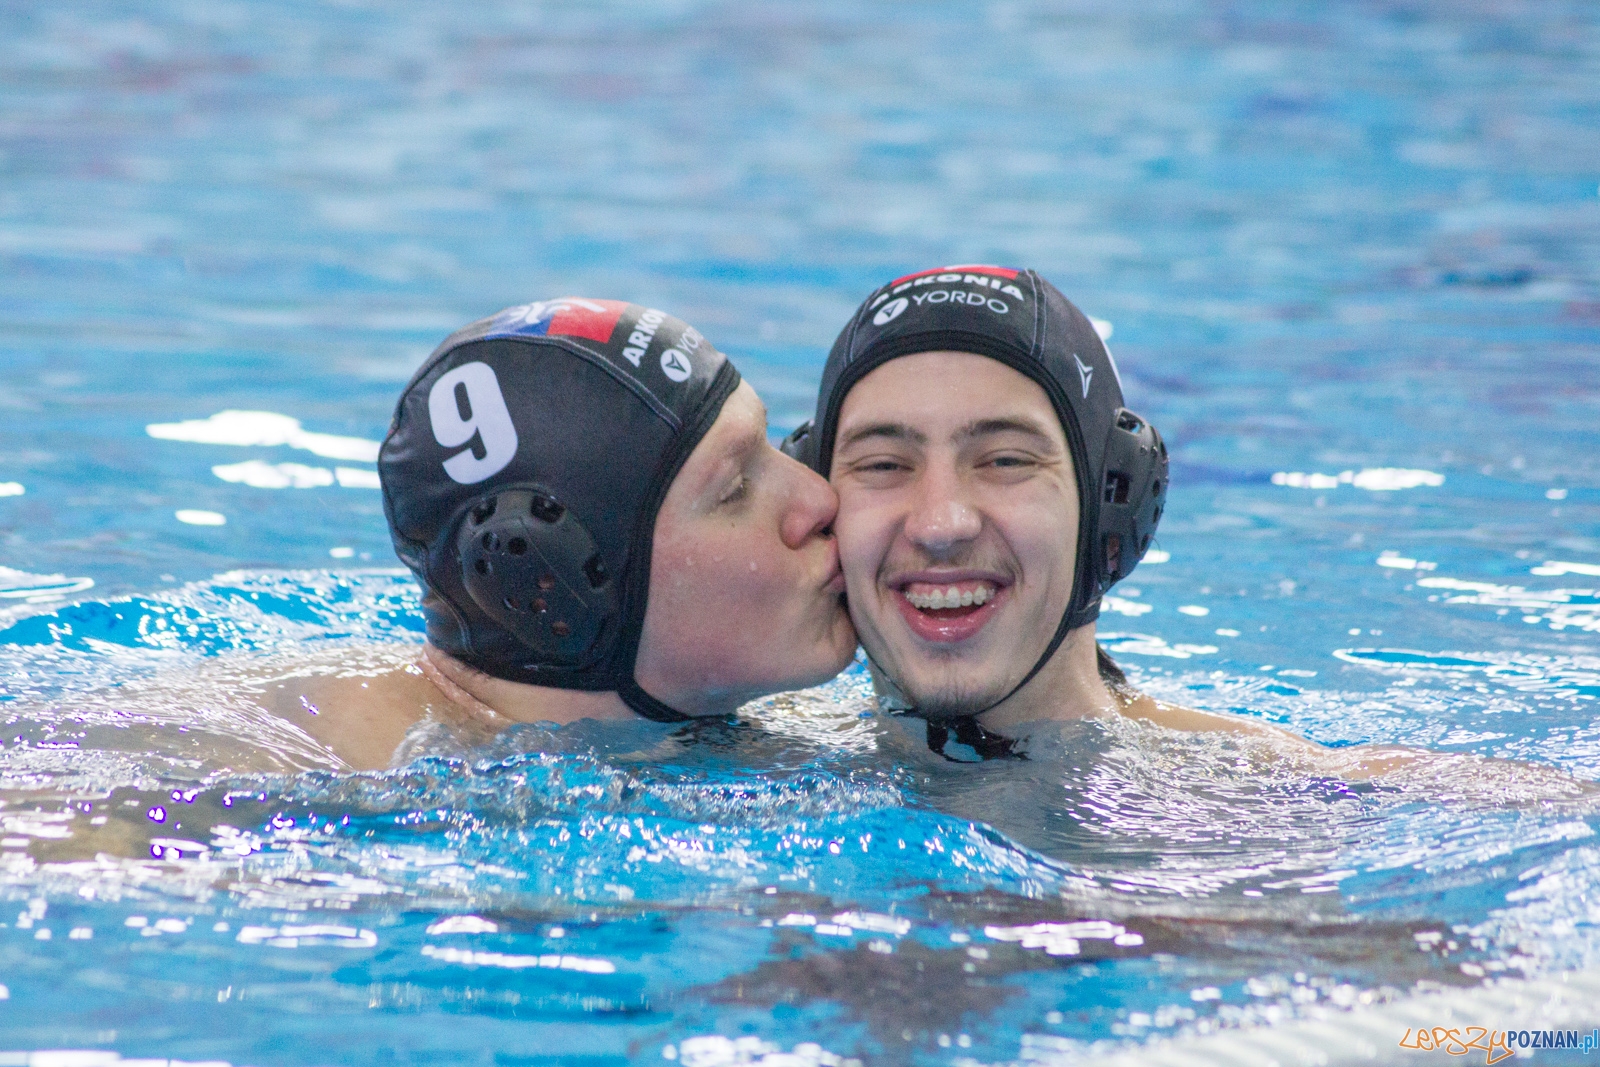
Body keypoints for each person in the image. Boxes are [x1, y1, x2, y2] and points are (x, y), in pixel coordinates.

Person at [784, 267, 1558, 783]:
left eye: (1007, 460)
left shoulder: (1267, 793)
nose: (943, 522)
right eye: (883, 465)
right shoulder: (742, 754)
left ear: (1113, 504)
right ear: (821, 507)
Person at [260, 297, 855, 770]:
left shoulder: (758, 731)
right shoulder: (294, 774)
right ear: (546, 577)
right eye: (734, 489)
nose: (819, 497)